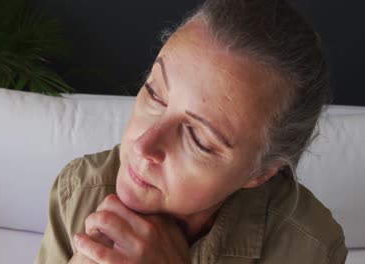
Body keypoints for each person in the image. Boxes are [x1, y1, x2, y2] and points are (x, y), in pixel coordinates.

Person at [35, 0, 347, 263]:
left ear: (261, 172)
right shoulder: (76, 191)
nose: (143, 147)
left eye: (199, 140)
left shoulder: (311, 246)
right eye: (154, 93)